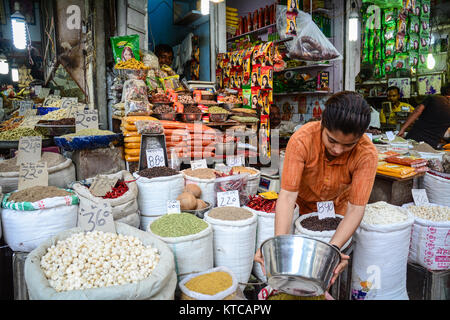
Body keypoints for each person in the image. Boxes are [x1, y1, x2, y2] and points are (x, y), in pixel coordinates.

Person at [254, 92, 378, 290]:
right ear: (322, 123)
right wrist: (279, 246)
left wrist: (333, 250)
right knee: (295, 270)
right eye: (332, 141)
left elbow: (356, 208)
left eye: (348, 145)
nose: (338, 150)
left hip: (338, 212)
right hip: (301, 208)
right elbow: (287, 196)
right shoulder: (302, 139)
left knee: (325, 277)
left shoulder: (367, 153)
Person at [398, 83, 450, 149]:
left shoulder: (432, 98)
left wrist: (402, 129)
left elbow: (417, 112)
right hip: (431, 145)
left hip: (414, 138)